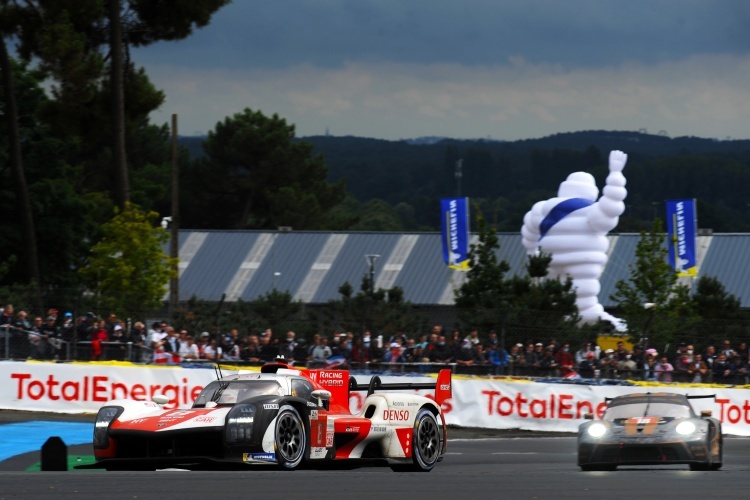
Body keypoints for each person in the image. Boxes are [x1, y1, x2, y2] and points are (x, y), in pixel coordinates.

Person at [521, 150, 629, 331]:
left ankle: (555, 326)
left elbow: (529, 233)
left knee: (554, 300)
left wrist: (533, 257)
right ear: (591, 192)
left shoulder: (541, 209)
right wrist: (616, 174)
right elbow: (611, 207)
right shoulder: (591, 211)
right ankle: (589, 322)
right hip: (582, 264)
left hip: (550, 263)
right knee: (583, 299)